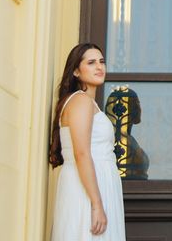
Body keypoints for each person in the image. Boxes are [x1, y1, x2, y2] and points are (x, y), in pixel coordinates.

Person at [48, 43, 126, 239]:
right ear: (76, 70)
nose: (99, 67)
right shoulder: (80, 101)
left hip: (95, 183)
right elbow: (81, 153)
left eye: (101, 62)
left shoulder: (86, 103)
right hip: (87, 189)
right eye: (91, 62)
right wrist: (96, 203)